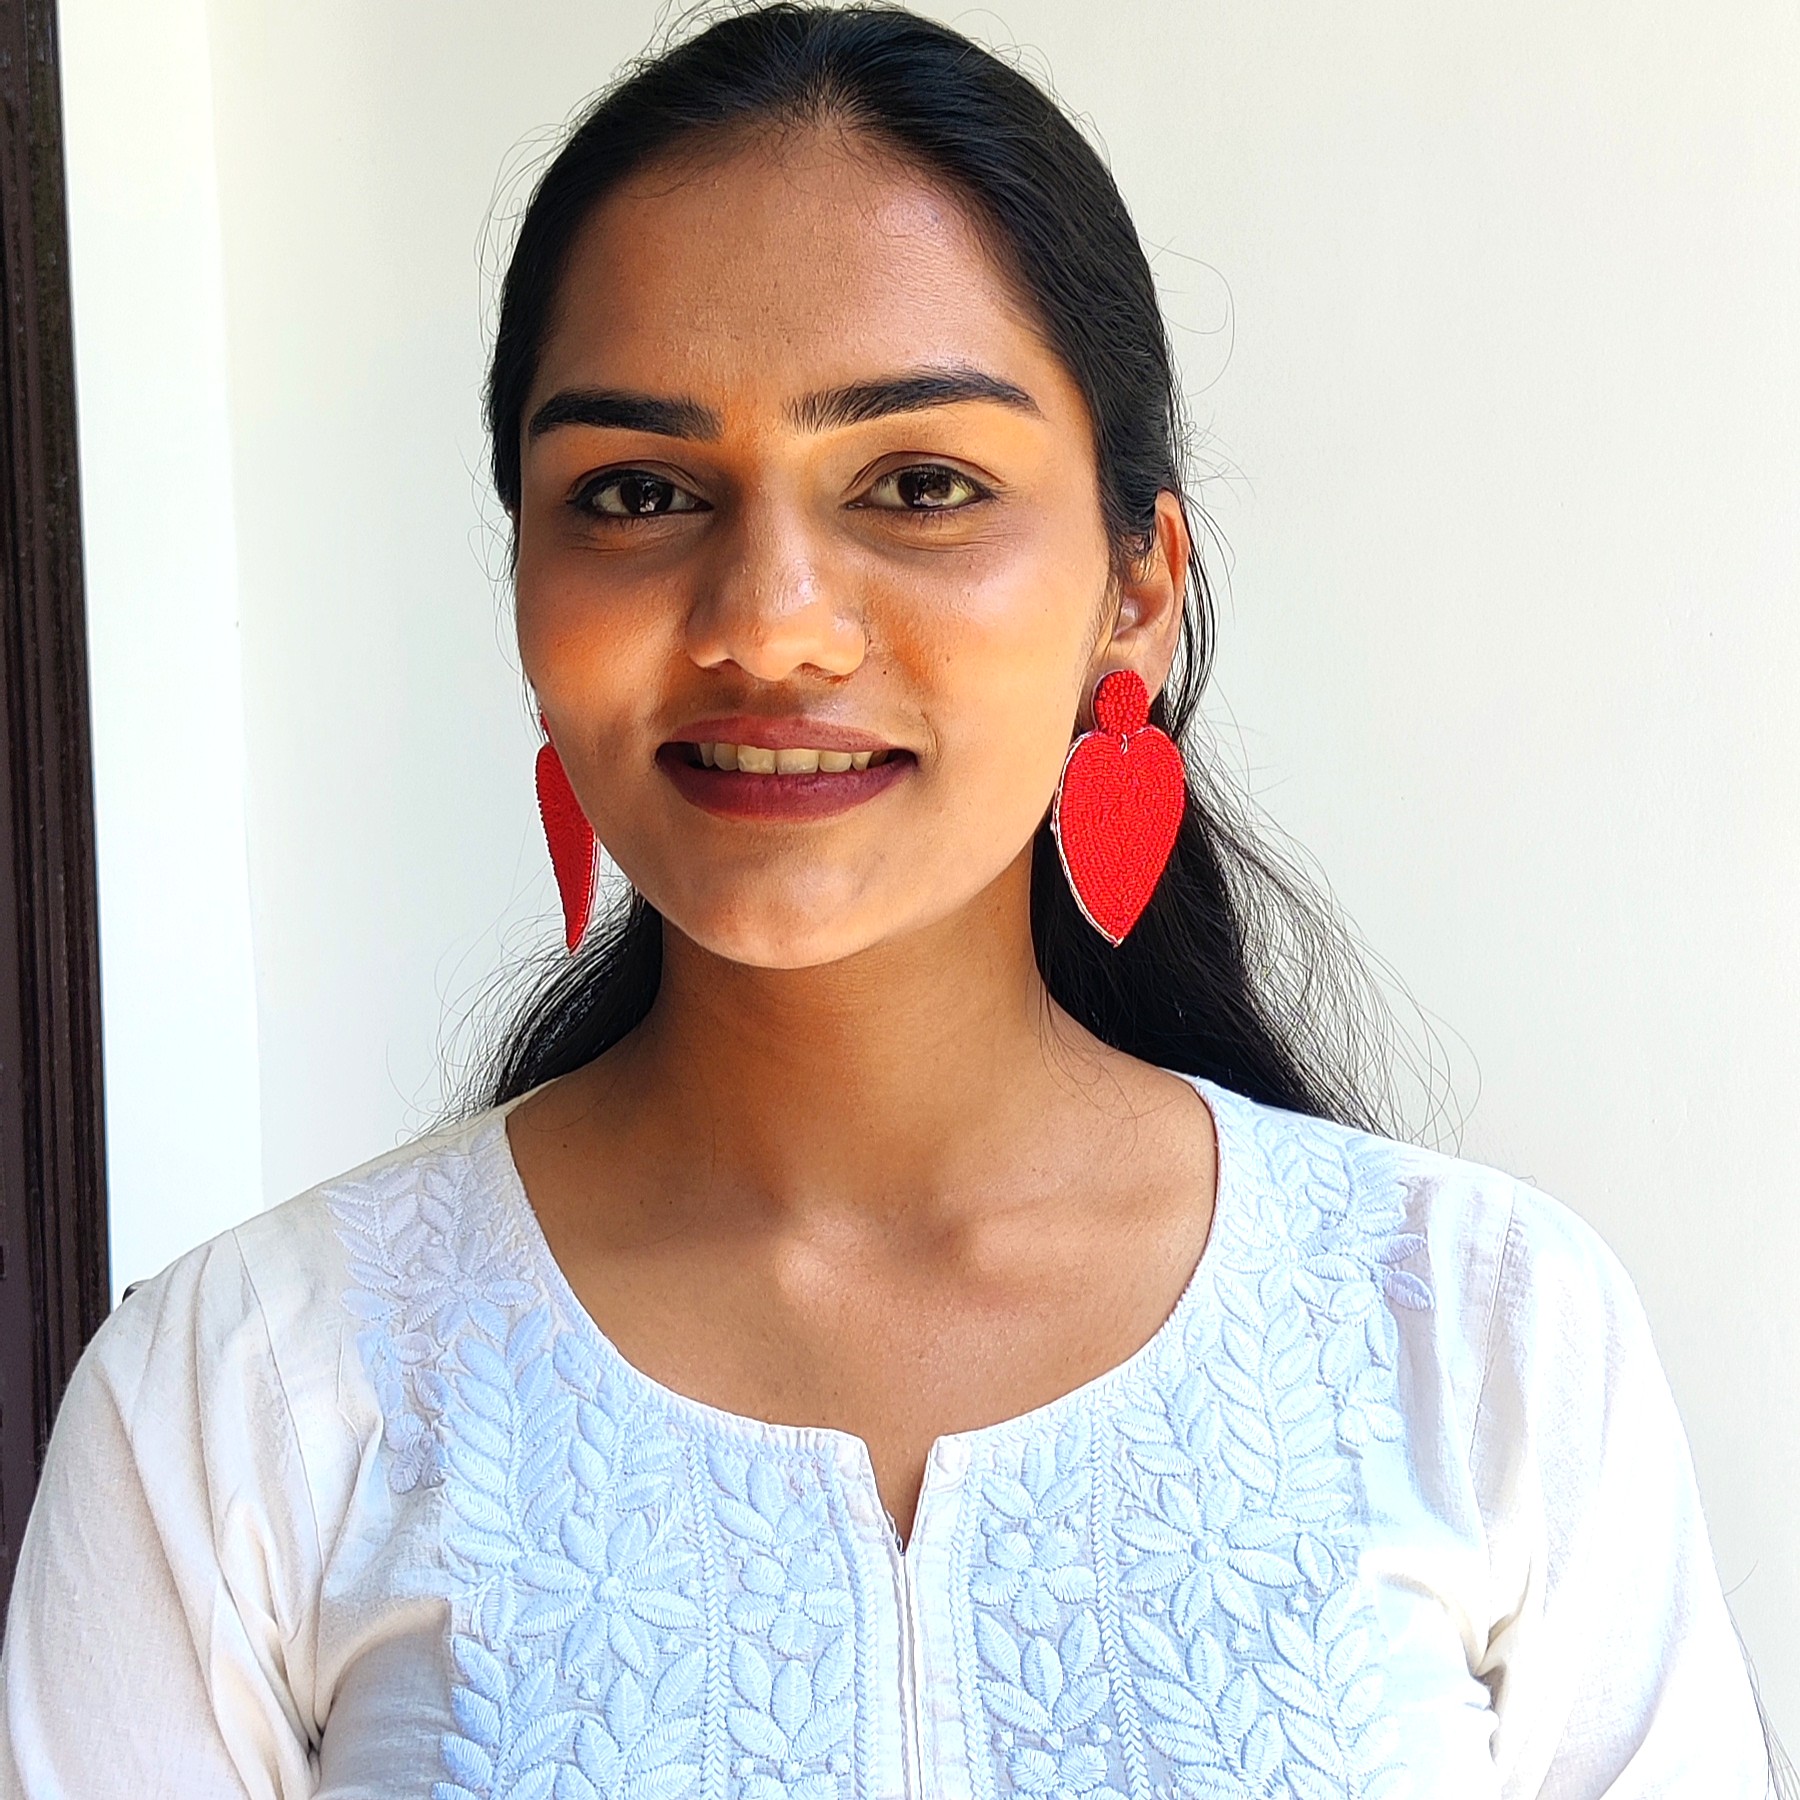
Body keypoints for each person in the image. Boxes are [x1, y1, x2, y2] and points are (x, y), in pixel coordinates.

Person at [0, 5, 1773, 1795]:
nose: (770, 620)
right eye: (634, 491)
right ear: (529, 586)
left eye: (920, 484)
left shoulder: (1478, 1342)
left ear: (1136, 589)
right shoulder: (248, 1400)